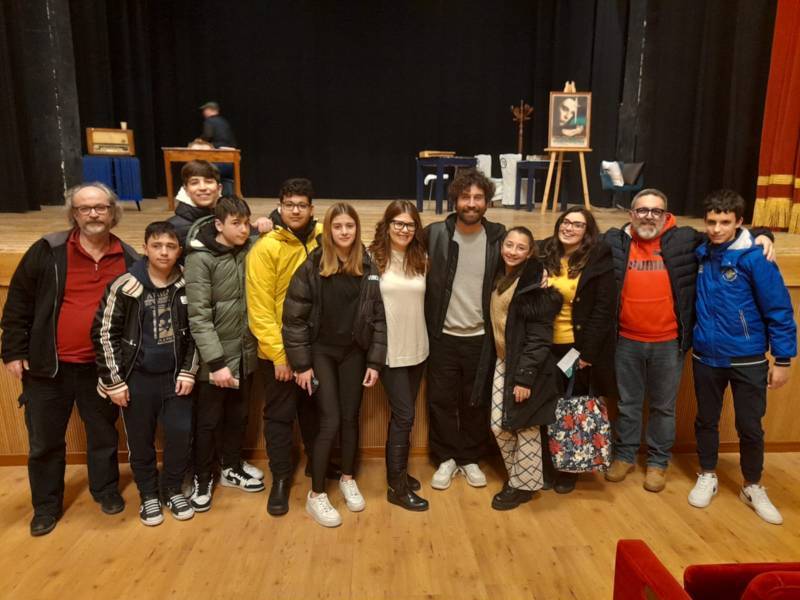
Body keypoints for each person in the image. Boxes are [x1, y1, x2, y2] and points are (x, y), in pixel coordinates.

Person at [603, 188, 774, 493]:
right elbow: (573, 239)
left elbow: (727, 233)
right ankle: (624, 455)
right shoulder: (614, 241)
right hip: (626, 341)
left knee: (663, 407)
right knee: (628, 404)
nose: (648, 216)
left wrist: (763, 235)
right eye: (642, 210)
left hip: (669, 343)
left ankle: (658, 462)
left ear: (666, 215)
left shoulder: (685, 240)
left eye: (656, 211)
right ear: (631, 214)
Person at [1, 182, 139, 536]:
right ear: (73, 214)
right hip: (48, 368)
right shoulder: (48, 250)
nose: (93, 214)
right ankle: (46, 506)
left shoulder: (128, 257)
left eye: (100, 207)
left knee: (103, 435)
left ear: (113, 212)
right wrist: (13, 350)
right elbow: (18, 301)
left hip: (101, 369)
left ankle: (105, 490)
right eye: (84, 208)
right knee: (44, 442)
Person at [687, 190, 795, 525]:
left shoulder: (756, 258)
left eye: (725, 222)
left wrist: (783, 360)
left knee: (749, 426)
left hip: (747, 359)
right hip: (706, 356)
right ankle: (707, 473)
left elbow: (779, 310)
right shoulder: (701, 252)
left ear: (739, 222)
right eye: (711, 222)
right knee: (706, 419)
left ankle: (753, 485)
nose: (717, 229)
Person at [282, 203, 386, 527]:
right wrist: (301, 364)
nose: (344, 231)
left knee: (350, 417)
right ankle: (316, 495)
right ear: (328, 230)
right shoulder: (312, 265)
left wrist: (375, 361)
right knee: (330, 420)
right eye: (337, 226)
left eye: (349, 226)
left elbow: (379, 319)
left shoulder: (368, 265)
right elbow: (294, 319)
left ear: (356, 229)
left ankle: (347, 477)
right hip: (321, 353)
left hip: (353, 353)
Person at [93, 221, 198, 526]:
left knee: (180, 436)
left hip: (175, 378)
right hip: (137, 378)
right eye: (157, 246)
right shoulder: (125, 286)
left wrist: (188, 371)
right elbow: (104, 334)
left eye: (171, 246)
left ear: (179, 250)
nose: (164, 252)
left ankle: (172, 489)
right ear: (145, 248)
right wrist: (114, 381)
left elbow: (198, 331)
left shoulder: (188, 283)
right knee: (140, 441)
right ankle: (148, 494)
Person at [247, 178, 327, 517]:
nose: (295, 210)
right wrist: (280, 355)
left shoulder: (323, 237)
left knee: (314, 410)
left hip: (314, 346)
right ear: (279, 207)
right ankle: (280, 477)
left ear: (311, 208)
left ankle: (316, 466)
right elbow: (260, 309)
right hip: (278, 352)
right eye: (289, 204)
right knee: (280, 416)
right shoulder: (266, 247)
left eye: (302, 205)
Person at [424, 169, 506, 490]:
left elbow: (526, 256)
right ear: (455, 200)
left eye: (478, 197)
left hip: (480, 338)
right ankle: (445, 457)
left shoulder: (498, 236)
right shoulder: (434, 234)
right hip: (442, 336)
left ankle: (470, 457)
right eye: (465, 197)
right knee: (441, 400)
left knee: (476, 401)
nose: (471, 203)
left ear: (487, 202)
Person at [185, 196, 264, 512]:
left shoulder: (248, 248)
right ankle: (202, 478)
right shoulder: (200, 259)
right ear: (218, 225)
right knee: (208, 421)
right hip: (215, 361)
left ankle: (231, 467)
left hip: (244, 353)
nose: (244, 229)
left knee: (238, 415)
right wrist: (216, 363)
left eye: (246, 223)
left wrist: (266, 223)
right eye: (236, 224)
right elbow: (199, 317)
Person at [474, 227, 562, 510]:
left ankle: (522, 486)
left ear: (530, 252)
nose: (513, 251)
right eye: (509, 245)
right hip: (504, 361)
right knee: (499, 425)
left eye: (521, 247)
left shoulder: (534, 284)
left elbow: (539, 338)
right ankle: (522, 477)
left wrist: (525, 378)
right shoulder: (500, 274)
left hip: (526, 368)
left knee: (525, 426)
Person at [539, 208, 616, 494]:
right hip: (543, 346)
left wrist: (587, 354)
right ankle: (547, 465)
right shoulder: (543, 253)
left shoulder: (598, 260)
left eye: (578, 225)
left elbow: (603, 310)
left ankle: (568, 469)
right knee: (544, 408)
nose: (569, 228)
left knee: (570, 410)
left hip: (574, 350)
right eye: (566, 222)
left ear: (587, 232)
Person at [369, 200, 430, 511]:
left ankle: (400, 473)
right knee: (404, 416)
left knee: (405, 416)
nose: (404, 229)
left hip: (418, 349)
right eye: (399, 223)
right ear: (387, 225)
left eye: (410, 224)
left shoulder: (421, 258)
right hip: (389, 353)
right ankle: (396, 487)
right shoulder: (372, 259)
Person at [168, 160, 271, 252]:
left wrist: (260, 228)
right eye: (194, 183)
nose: (202, 187)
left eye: (208, 182)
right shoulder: (173, 227)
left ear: (219, 188)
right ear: (186, 190)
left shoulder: (228, 212)